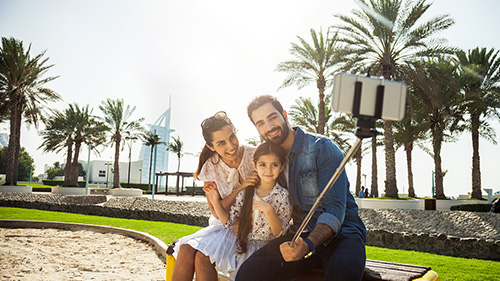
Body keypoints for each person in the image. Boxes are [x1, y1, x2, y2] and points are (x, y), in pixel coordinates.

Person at [236, 95, 367, 281]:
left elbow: (335, 208)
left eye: (273, 117)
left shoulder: (323, 148)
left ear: (285, 115)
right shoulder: (273, 163)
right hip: (299, 234)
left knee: (342, 275)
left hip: (343, 233)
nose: (269, 127)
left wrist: (309, 245)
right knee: (248, 275)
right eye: (261, 123)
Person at [171, 111, 259, 281]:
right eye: (221, 143)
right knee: (186, 250)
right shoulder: (211, 166)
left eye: (232, 137)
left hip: (250, 224)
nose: (231, 146)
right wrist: (241, 187)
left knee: (202, 256)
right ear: (211, 147)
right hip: (224, 224)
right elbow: (216, 213)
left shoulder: (254, 156)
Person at [207, 141, 292, 280]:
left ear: (282, 167)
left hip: (269, 253)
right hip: (244, 251)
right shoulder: (246, 193)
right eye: (263, 164)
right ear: (254, 166)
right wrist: (215, 201)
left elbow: (280, 232)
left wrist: (269, 210)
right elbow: (228, 221)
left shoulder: (282, 195)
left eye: (274, 165)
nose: (268, 170)